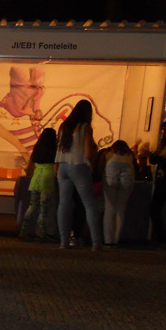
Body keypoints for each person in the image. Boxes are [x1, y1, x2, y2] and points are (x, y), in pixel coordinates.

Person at [55, 99, 103, 250]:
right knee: (89, 205)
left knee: (64, 204)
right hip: (79, 166)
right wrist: (93, 161)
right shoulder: (85, 127)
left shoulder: (64, 126)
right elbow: (88, 153)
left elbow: (59, 149)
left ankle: (63, 241)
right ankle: (96, 243)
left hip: (62, 166)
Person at [19, 127, 58, 241]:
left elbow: (30, 166)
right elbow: (56, 168)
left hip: (36, 178)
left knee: (32, 206)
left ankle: (23, 231)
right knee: (43, 208)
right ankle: (40, 233)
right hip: (47, 179)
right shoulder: (54, 150)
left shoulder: (37, 148)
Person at [101, 140, 136, 246]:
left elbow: (101, 166)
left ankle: (108, 239)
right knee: (121, 209)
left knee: (109, 208)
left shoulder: (108, 153)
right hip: (127, 177)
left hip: (110, 176)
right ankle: (116, 238)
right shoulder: (130, 155)